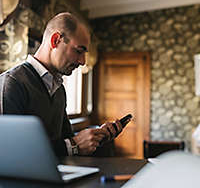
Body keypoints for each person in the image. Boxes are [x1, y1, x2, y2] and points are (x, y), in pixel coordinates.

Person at [0, 12, 130, 158]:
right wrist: (74, 145)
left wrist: (95, 137)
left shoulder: (59, 89)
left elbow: (65, 140)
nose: (83, 61)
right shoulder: (12, 83)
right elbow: (12, 153)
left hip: (58, 177)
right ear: (55, 40)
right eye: (79, 51)